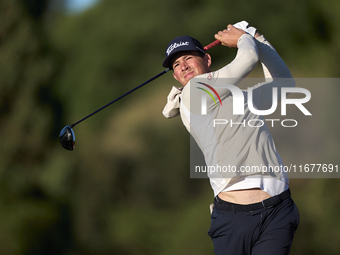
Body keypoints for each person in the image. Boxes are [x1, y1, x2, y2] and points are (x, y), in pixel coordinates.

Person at [162, 21, 300, 255]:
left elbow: (284, 86)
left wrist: (256, 37)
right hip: (234, 218)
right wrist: (242, 39)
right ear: (175, 76)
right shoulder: (193, 94)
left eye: (188, 58)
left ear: (207, 60)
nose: (183, 66)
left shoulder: (242, 98)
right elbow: (246, 60)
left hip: (278, 210)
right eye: (176, 64)